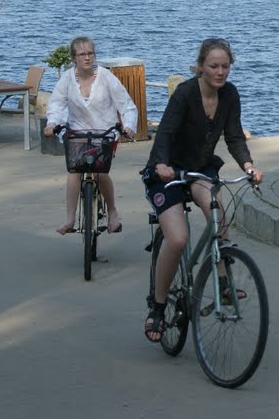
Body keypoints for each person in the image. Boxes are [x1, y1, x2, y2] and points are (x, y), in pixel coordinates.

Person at [141, 38, 264, 343]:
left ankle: (223, 281)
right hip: (167, 172)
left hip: (199, 169)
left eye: (225, 66)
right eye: (213, 66)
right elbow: (166, 133)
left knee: (217, 213)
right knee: (179, 238)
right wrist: (160, 165)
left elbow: (234, 136)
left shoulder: (230, 95)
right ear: (200, 67)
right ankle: (157, 307)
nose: (220, 72)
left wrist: (248, 166)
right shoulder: (185, 93)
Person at [44, 36, 137, 236]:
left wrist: (128, 126)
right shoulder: (67, 79)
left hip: (104, 133)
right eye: (82, 54)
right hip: (78, 133)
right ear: (74, 58)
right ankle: (69, 219)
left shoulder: (106, 77)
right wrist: (52, 123)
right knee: (74, 172)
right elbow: (57, 104)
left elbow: (126, 104)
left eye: (90, 53)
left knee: (101, 173)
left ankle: (112, 212)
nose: (87, 57)